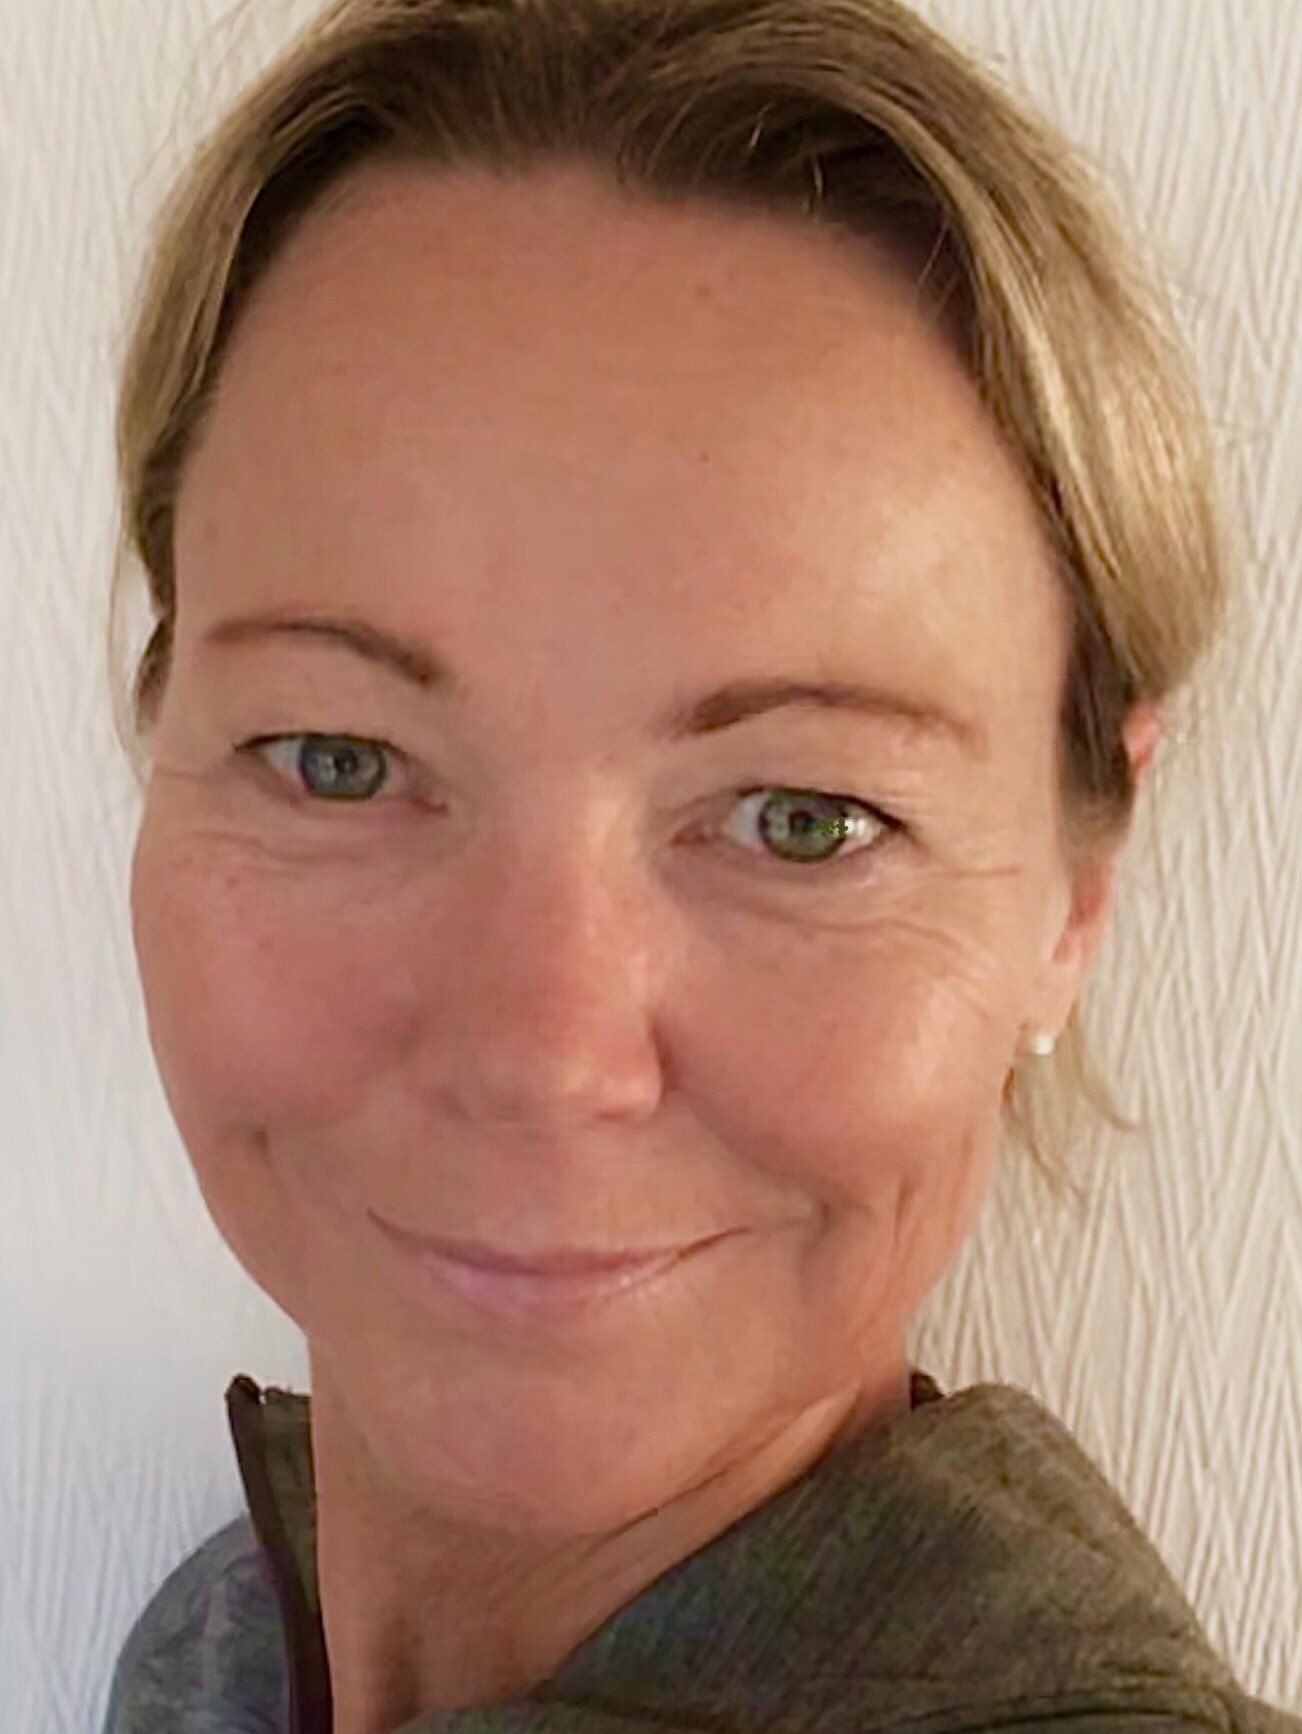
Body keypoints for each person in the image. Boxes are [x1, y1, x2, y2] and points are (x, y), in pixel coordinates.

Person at [101, 1, 1298, 1732]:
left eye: (801, 818)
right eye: (337, 759)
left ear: (1072, 900)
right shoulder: (214, 1639)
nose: (541, 1055)